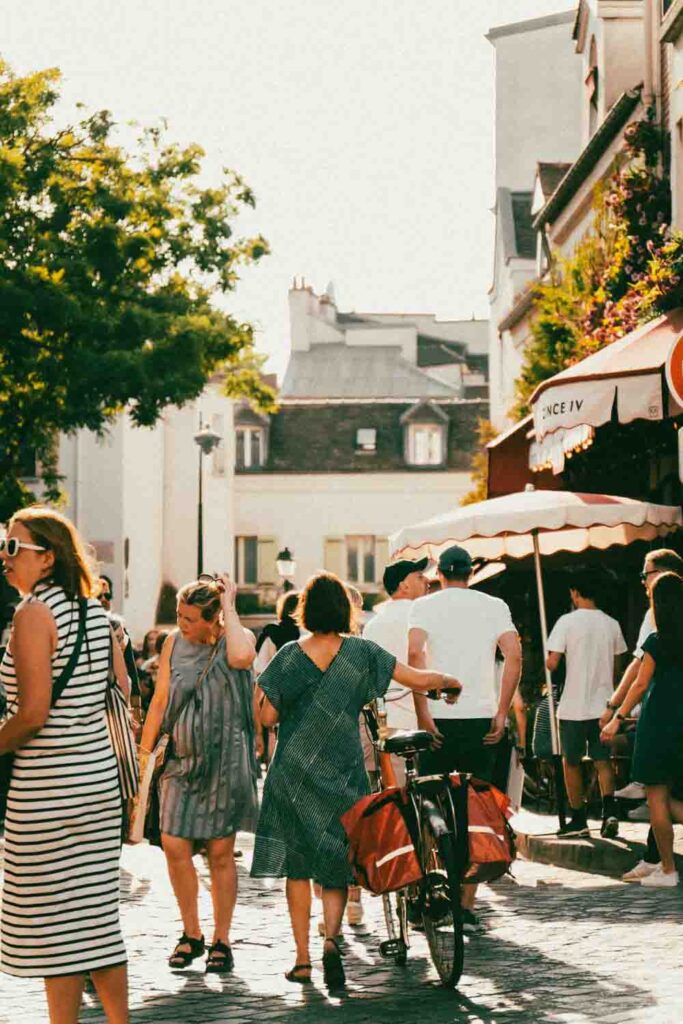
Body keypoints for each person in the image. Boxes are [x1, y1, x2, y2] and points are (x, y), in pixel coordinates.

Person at [251, 572, 460, 989]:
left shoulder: (290, 655)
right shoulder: (362, 652)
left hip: (294, 772)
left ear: (305, 611)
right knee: (335, 864)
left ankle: (302, 959)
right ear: (345, 610)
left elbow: (268, 718)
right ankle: (332, 940)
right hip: (343, 770)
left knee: (298, 867)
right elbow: (414, 678)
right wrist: (448, 682)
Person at [0, 508, 130, 1024]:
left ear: (47, 557)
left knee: (57, 924)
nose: (4, 558)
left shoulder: (33, 614)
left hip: (49, 786)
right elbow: (113, 692)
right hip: (96, 781)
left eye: (15, 548)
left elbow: (32, 713)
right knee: (95, 921)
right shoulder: (93, 612)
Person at [139, 576, 258, 973]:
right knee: (174, 844)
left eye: (191, 618)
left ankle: (222, 938)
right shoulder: (173, 642)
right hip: (180, 762)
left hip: (225, 763)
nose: (182, 624)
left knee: (221, 854)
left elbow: (243, 658)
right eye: (179, 615)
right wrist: (144, 753)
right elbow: (159, 701)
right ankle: (191, 933)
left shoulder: (235, 640)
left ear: (213, 619)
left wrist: (232, 606)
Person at [408, 544, 521, 934]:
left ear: (440, 574)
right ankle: (466, 904)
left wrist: (423, 713)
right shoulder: (493, 605)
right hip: (481, 720)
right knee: (477, 810)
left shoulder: (424, 606)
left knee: (428, 806)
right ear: (471, 573)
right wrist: (502, 711)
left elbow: (414, 655)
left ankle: (430, 890)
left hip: (438, 717)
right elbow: (514, 655)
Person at [601, 572, 683, 887]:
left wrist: (616, 717)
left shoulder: (656, 642)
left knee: (657, 799)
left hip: (659, 723)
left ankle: (667, 869)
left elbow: (640, 683)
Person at [546, 568, 626, 839]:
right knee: (603, 761)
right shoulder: (612, 624)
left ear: (575, 593)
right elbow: (618, 669)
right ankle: (609, 812)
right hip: (604, 704)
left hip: (573, 705)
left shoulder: (566, 622)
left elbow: (552, 663)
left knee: (572, 761)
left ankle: (578, 818)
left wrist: (548, 659)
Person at [363, 557, 429, 737]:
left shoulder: (371, 626)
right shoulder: (423, 619)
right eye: (419, 577)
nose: (427, 581)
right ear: (404, 586)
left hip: (386, 721)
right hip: (424, 719)